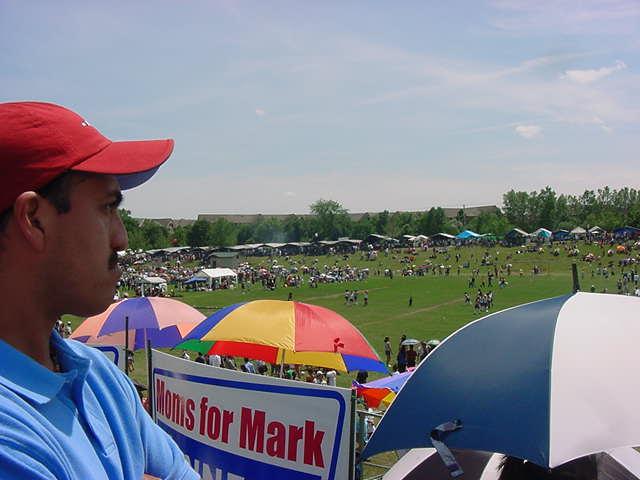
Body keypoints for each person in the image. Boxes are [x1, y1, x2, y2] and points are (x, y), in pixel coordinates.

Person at [0, 101, 198, 479]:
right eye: (107, 208)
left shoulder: (99, 375)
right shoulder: (8, 433)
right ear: (34, 220)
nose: (122, 239)